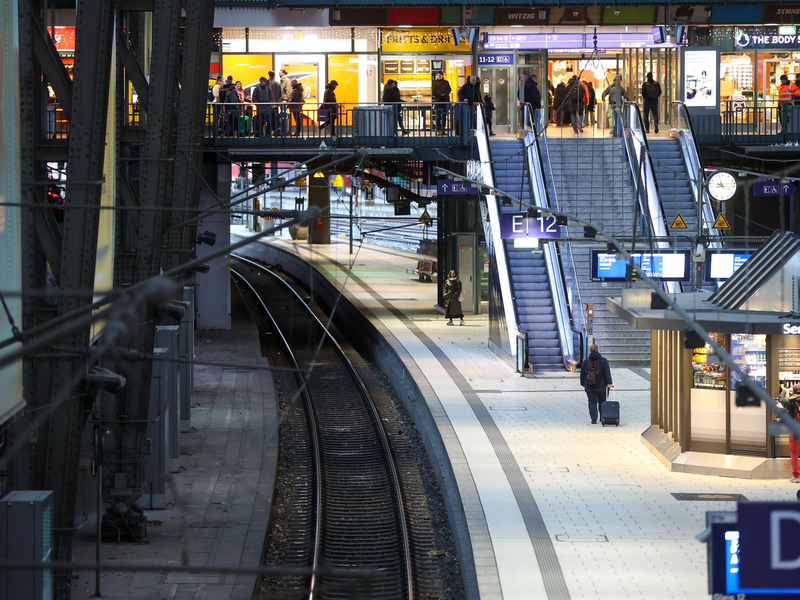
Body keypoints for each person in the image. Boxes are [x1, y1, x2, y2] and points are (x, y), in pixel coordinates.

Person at [580, 344, 613, 424]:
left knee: (592, 402)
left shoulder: (586, 361)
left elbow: (582, 373)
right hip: (601, 386)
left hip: (589, 385)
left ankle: (594, 419)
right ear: (598, 350)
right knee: (602, 402)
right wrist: (609, 383)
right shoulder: (603, 361)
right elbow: (607, 372)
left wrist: (582, 383)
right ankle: (602, 418)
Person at [779, 384, 800, 483]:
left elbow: (781, 399)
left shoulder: (790, 401)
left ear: (793, 391)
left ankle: (796, 476)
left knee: (794, 454)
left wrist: (785, 391)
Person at [268, 71, 282, 136]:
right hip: (276, 103)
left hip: (269, 104)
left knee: (269, 118)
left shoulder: (267, 83)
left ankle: (269, 131)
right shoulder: (277, 83)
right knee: (276, 118)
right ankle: (277, 131)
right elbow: (280, 94)